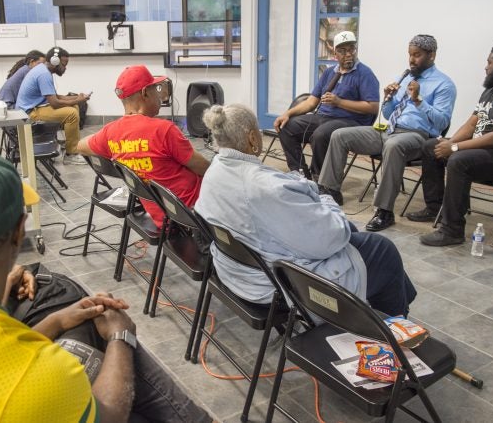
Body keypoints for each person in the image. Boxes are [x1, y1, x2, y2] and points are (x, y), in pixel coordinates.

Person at [0, 147, 212, 422]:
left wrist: (60, 320)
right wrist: (122, 336)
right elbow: (107, 415)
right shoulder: (42, 377)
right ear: (18, 232)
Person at [195, 104, 416, 318]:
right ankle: (396, 328)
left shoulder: (215, 169)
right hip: (273, 286)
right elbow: (331, 238)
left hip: (235, 270)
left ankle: (397, 310)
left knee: (356, 239)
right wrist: (326, 199)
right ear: (253, 138)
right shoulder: (263, 186)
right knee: (381, 248)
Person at [318, 34, 457, 231]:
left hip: (417, 136)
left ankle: (384, 211)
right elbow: (387, 113)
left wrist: (419, 100)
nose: (411, 60)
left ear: (431, 55)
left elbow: (442, 122)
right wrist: (389, 98)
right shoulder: (407, 77)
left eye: (416, 55)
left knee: (393, 146)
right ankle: (329, 192)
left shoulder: (444, 84)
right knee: (340, 134)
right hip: (388, 131)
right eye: (409, 55)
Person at [414, 41, 493, 246]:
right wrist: (448, 143)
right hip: (487, 151)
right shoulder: (492, 89)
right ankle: (435, 207)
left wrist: (454, 148)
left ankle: (452, 230)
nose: (485, 66)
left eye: (488, 61)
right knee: (431, 146)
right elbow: (472, 123)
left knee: (459, 160)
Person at [78, 64, 210, 228]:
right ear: (145, 92)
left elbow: (80, 145)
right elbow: (204, 168)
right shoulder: (164, 130)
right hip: (191, 212)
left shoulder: (110, 133)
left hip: (161, 214)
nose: (160, 95)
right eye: (156, 88)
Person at [274, 31, 379, 179]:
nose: (348, 54)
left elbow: (373, 107)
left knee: (321, 135)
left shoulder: (365, 73)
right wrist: (287, 114)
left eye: (351, 49)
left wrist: (339, 102)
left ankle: (319, 179)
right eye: (343, 51)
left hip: (352, 121)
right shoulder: (329, 73)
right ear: (335, 53)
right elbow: (311, 102)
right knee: (286, 127)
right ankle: (300, 174)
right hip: (324, 117)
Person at [16, 46, 90, 164]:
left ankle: (70, 147)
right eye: (64, 64)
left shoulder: (43, 70)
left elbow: (56, 96)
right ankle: (71, 154)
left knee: (74, 107)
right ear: (55, 61)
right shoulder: (44, 74)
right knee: (71, 114)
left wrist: (78, 98)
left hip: (35, 108)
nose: (65, 68)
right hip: (29, 113)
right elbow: (55, 103)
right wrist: (77, 100)